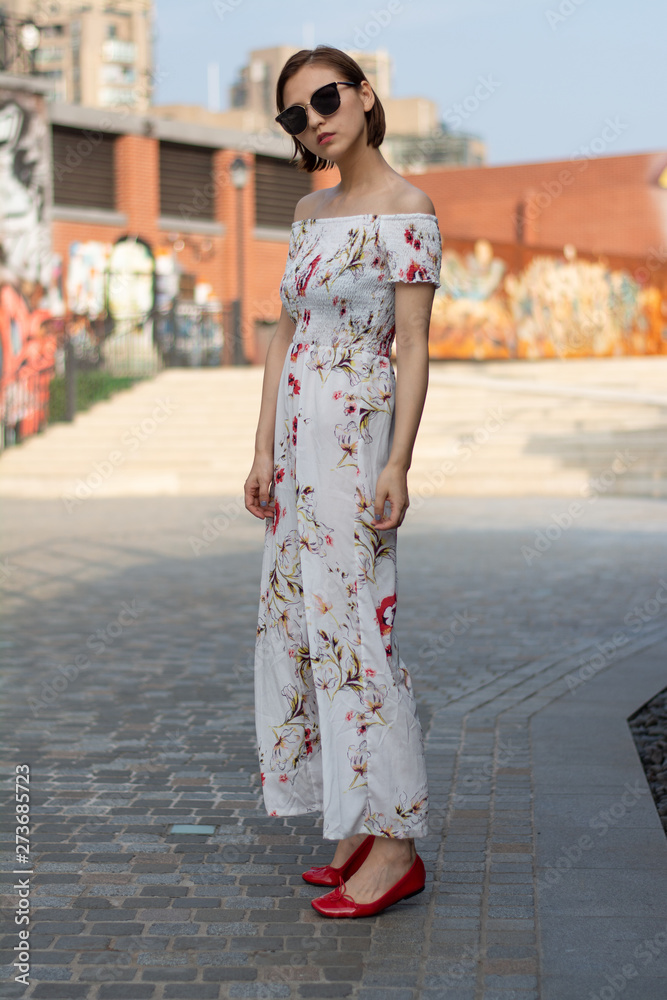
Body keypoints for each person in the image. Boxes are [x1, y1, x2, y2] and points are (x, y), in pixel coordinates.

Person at [244, 44, 442, 919]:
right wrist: (260, 453)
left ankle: (395, 842)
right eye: (294, 114)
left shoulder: (409, 209)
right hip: (295, 447)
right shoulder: (306, 209)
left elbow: (414, 346)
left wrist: (397, 461)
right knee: (299, 625)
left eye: (325, 98)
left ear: (364, 95)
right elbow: (282, 338)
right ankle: (354, 819)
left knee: (359, 628)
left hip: (356, 444)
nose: (315, 119)